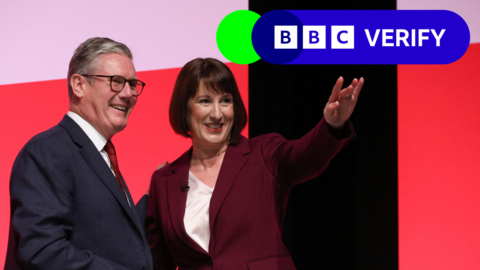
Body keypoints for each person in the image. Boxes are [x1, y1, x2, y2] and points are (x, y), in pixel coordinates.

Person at [146, 58, 363, 269]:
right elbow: (156, 262)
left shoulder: (264, 154)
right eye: (205, 101)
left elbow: (306, 157)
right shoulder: (164, 180)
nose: (217, 113)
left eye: (225, 101)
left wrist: (332, 125)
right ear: (184, 109)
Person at [5, 37, 153, 270]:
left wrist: (154, 197)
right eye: (116, 81)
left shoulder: (100, 154)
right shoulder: (48, 151)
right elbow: (43, 251)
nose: (127, 93)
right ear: (79, 85)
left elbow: (112, 238)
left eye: (133, 84)